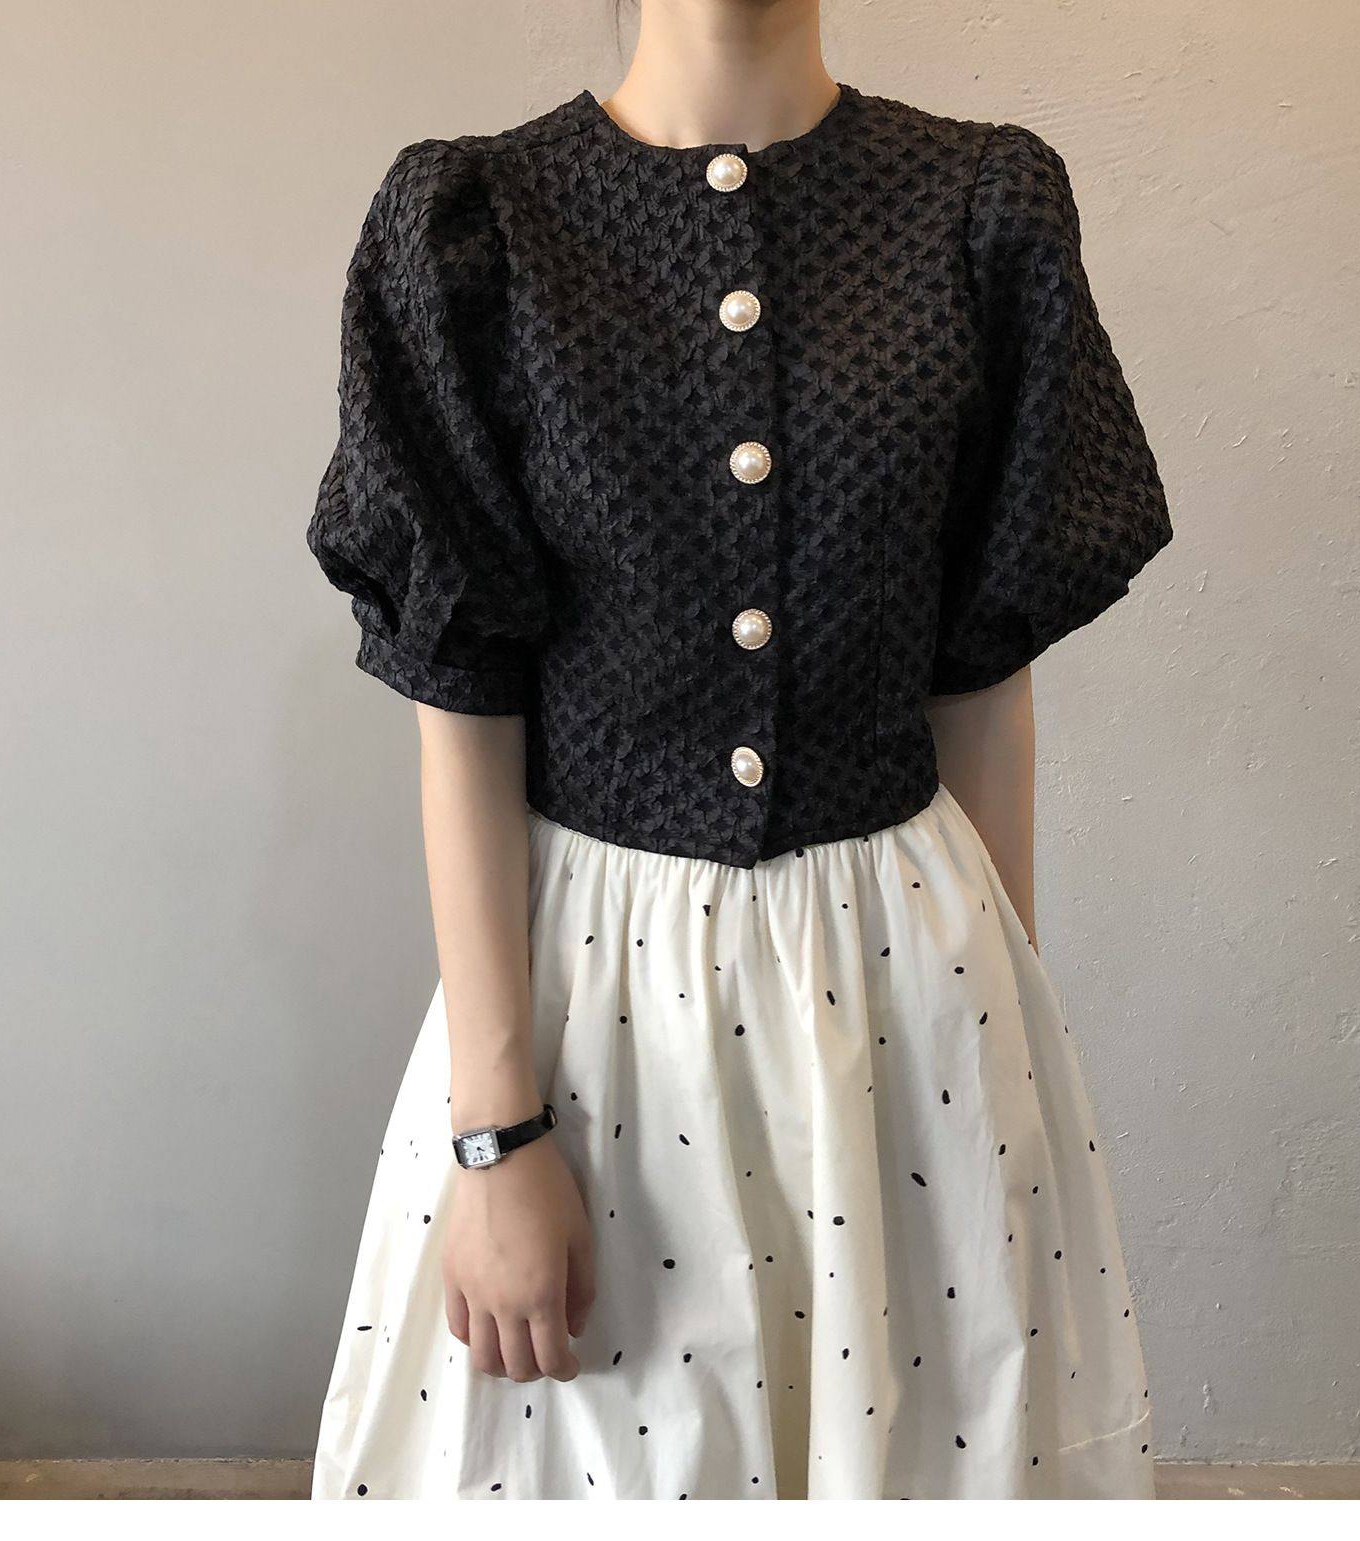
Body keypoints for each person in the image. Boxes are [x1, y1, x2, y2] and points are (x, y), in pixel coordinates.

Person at [306, 0, 1171, 1501]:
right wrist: (494, 1130)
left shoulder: (982, 208)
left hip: (906, 992)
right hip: (591, 1006)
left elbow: (984, 686)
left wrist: (1002, 1058)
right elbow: (462, 701)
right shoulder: (474, 228)